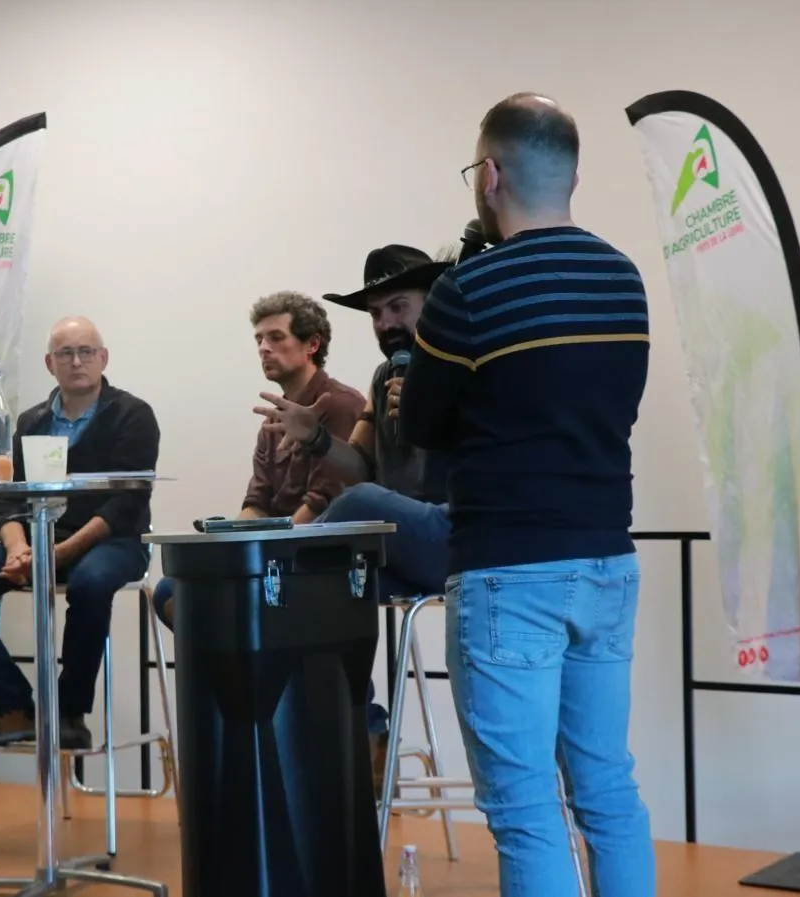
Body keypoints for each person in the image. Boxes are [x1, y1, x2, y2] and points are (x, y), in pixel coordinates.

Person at [399, 92, 654, 897]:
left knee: (524, 807)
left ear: (490, 176)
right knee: (607, 788)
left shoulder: (469, 291)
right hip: (607, 558)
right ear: (574, 175)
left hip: (509, 567)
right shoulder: (623, 277)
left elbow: (420, 426)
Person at [251, 245, 454, 785]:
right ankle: (363, 726)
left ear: (433, 301)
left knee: (358, 505)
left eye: (398, 307)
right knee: (312, 589)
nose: (386, 324)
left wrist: (433, 409)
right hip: (397, 547)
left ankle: (263, 564)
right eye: (376, 313)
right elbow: (359, 462)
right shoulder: (386, 374)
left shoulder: (463, 364)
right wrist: (316, 437)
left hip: (454, 540)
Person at [0, 316, 159, 750]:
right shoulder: (32, 421)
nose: (77, 361)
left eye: (86, 352)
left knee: (90, 583)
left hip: (113, 541)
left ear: (103, 358)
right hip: (38, 540)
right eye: (65, 353)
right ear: (50, 364)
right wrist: (17, 549)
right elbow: (9, 497)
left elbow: (126, 503)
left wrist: (61, 553)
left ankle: (69, 713)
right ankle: (13, 706)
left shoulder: (133, 415)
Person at [151, 291, 364, 629]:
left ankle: (256, 657)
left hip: (317, 557)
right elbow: (257, 503)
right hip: (275, 555)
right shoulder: (272, 420)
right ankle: (239, 662)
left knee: (200, 595)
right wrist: (228, 545)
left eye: (276, 337)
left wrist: (261, 557)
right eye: (259, 340)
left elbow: (323, 505)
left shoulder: (339, 405)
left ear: (312, 344)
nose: (264, 348)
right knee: (171, 589)